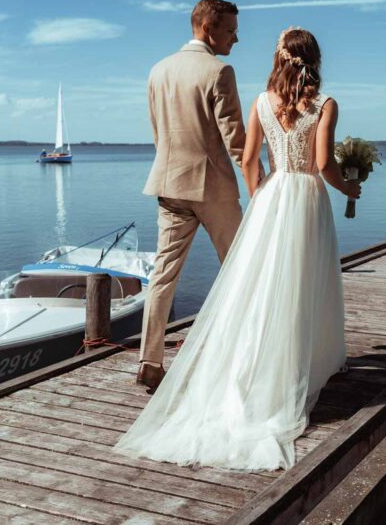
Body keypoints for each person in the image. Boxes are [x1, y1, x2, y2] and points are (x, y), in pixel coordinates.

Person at [115, 28, 360, 471]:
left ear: (279, 58)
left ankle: (255, 368)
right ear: (315, 60)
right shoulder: (325, 104)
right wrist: (351, 189)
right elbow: (324, 165)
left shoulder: (263, 102)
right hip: (305, 197)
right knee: (306, 281)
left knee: (265, 287)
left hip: (271, 197)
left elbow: (248, 160)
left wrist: (260, 196)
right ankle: (306, 363)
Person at [137, 0, 248, 392]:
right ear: (208, 28)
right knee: (240, 269)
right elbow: (235, 139)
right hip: (212, 188)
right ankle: (239, 351)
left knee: (162, 275)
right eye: (231, 30)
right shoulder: (220, 71)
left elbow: (157, 131)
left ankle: (150, 359)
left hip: (168, 184)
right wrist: (260, 181)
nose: (237, 37)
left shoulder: (158, 70)